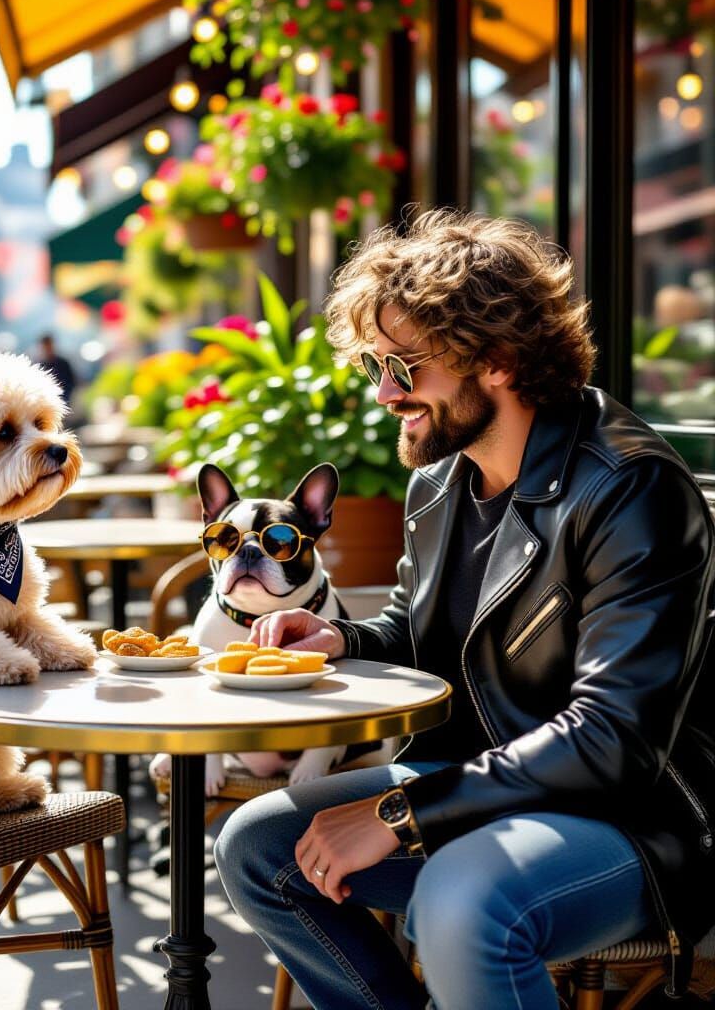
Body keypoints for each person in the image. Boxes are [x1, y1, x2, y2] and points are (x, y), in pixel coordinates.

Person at [214, 210, 715, 1010]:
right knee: (255, 846)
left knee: (460, 899)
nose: (384, 393)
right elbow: (427, 633)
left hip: (629, 817)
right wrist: (341, 637)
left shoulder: (628, 487)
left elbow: (613, 739)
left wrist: (400, 812)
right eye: (375, 366)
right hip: (481, 782)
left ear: (501, 358)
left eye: (404, 367)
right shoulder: (440, 481)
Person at [36, 333, 75, 406]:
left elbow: (71, 382)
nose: (47, 349)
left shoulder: (63, 363)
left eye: (49, 345)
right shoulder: (39, 365)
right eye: (45, 346)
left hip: (63, 400)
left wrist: (65, 397)